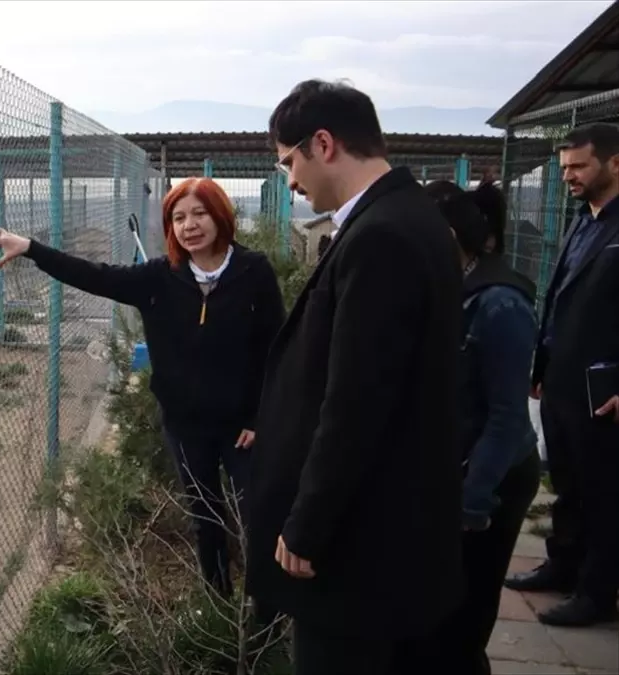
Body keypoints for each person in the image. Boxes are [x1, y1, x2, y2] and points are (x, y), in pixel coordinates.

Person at [244, 79, 465, 675]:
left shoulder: (382, 236)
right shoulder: (410, 216)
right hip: (394, 526)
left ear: (323, 143)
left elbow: (356, 403)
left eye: (290, 161)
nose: (290, 180)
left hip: (358, 546)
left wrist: (307, 525)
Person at [0, 177, 286, 597]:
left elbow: (278, 347)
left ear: (220, 215)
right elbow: (94, 276)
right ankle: (219, 603)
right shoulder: (160, 278)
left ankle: (264, 609)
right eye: (178, 217)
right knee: (205, 518)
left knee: (258, 515)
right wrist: (33, 249)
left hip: (242, 427)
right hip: (186, 427)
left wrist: (262, 417)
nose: (190, 225)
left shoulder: (254, 272)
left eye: (199, 213)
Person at [394, 179, 542, 675]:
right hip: (454, 468)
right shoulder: (447, 287)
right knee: (436, 610)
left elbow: (505, 418)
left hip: (492, 479)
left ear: (452, 234)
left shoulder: (500, 304)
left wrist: (471, 502)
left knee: (466, 614)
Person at [504, 122, 619, 627]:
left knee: (605, 491)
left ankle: (596, 592)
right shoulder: (582, 220)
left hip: (605, 388)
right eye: (565, 168)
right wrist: (542, 367)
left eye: (579, 166)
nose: (569, 176)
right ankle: (562, 566)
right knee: (568, 482)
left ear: (614, 163)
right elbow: (561, 296)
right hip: (563, 379)